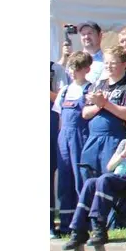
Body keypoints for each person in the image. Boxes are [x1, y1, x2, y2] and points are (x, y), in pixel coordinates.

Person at [64, 108, 126, 249]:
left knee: (105, 179)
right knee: (90, 183)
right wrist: (125, 151)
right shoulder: (124, 142)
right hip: (118, 178)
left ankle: (99, 227)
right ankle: (78, 229)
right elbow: (110, 166)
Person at [79, 47, 126, 189]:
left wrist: (105, 103)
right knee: (88, 176)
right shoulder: (98, 85)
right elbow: (85, 113)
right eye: (106, 63)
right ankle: (91, 210)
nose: (108, 66)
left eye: (113, 63)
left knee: (110, 178)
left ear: (124, 64)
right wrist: (99, 105)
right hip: (93, 138)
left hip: (114, 138)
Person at [54, 51, 93, 236]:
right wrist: (61, 137)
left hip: (81, 137)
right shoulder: (64, 90)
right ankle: (65, 224)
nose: (72, 72)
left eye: (76, 69)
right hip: (64, 137)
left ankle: (81, 223)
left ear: (86, 69)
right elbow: (61, 116)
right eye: (71, 68)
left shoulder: (90, 89)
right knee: (64, 180)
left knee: (80, 179)